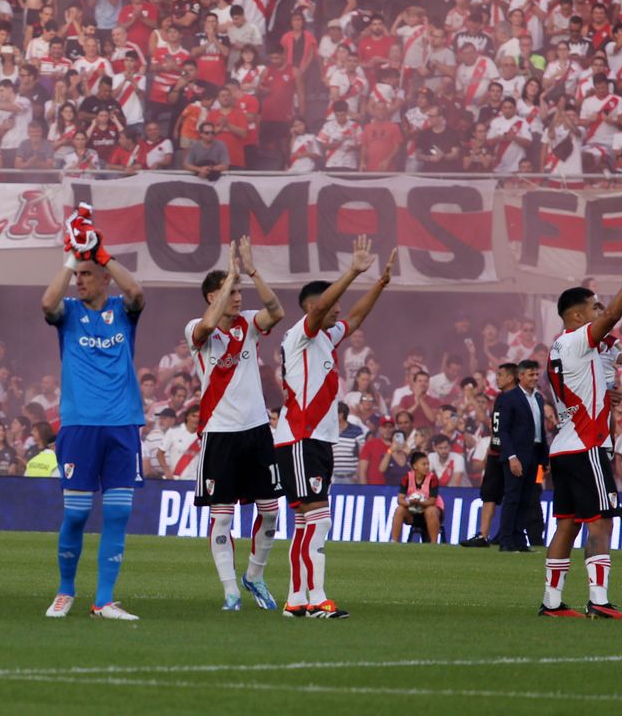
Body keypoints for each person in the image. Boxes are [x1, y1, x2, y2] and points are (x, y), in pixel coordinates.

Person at [275, 236, 396, 618]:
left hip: (317, 439)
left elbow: (356, 317)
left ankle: (297, 599)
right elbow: (329, 305)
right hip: (300, 437)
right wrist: (352, 272)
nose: (339, 310)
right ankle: (316, 598)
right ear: (313, 308)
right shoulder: (300, 334)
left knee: (306, 520)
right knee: (319, 517)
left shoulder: (326, 337)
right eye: (331, 304)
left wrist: (378, 284)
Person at [41, 203, 145, 621]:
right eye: (76, 275)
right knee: (78, 513)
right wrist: (71, 257)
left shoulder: (123, 309)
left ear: (103, 277)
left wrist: (103, 256)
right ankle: (65, 590)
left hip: (122, 424)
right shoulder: (68, 313)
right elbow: (47, 303)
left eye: (87, 274)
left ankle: (104, 600)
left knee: (118, 513)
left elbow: (138, 293)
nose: (79, 281)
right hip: (80, 426)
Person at [539, 241, 622, 619]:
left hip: (563, 448)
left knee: (566, 524)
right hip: (588, 444)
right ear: (580, 316)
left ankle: (552, 603)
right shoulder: (580, 340)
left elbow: (598, 369)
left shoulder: (559, 347)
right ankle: (599, 601)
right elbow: (614, 315)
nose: (601, 311)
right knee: (599, 522)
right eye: (594, 306)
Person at [184, 237, 285, 611]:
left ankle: (254, 576)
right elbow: (207, 327)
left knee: (271, 512)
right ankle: (230, 591)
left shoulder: (249, 325)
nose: (239, 297)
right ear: (213, 296)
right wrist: (229, 277)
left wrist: (253, 271)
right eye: (232, 290)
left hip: (257, 431)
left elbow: (276, 312)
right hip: (219, 435)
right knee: (223, 518)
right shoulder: (197, 327)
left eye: (240, 290)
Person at [462, 362, 516, 548]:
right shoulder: (500, 398)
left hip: (509, 453)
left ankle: (507, 534)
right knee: (489, 494)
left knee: (511, 495)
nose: (497, 378)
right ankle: (484, 535)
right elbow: (494, 425)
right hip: (494, 451)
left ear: (510, 377)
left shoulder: (517, 398)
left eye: (500, 375)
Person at [496, 359, 547, 553]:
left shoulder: (539, 398)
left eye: (536, 374)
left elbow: (540, 429)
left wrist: (544, 458)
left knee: (527, 498)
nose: (535, 378)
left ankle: (519, 540)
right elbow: (504, 430)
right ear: (520, 376)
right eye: (531, 374)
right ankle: (506, 540)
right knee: (512, 498)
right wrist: (511, 457)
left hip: (534, 455)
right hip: (516, 456)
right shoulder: (509, 398)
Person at [390, 451, 443, 543]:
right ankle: (394, 541)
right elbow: (400, 499)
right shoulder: (407, 477)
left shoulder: (433, 478)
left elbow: (432, 501)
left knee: (430, 510)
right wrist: (410, 503)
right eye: (424, 464)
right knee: (400, 509)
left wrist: (419, 503)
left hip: (432, 513)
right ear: (415, 466)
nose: (427, 467)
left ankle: (434, 543)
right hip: (413, 511)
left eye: (428, 464)